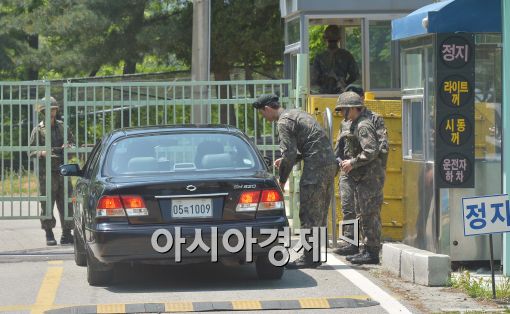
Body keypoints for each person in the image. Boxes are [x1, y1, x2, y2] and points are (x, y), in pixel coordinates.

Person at [253, 94, 336, 269]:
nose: (265, 119)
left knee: (308, 212)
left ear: (267, 109)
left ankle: (309, 258)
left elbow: (289, 154)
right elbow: (309, 146)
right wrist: (289, 160)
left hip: (316, 168)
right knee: (318, 213)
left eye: (262, 114)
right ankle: (314, 256)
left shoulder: (283, 122)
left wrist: (281, 180)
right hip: (328, 164)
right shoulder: (297, 113)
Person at [334, 91, 384, 264]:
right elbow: (341, 146)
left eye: (343, 110)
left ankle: (371, 252)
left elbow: (371, 150)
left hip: (368, 175)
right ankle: (361, 247)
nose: (341, 114)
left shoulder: (363, 125)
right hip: (359, 174)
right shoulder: (354, 123)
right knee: (357, 210)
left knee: (368, 213)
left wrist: (353, 163)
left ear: (353, 108)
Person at [29, 97, 75, 246]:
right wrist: (42, 152)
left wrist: (68, 147)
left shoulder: (63, 127)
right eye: (49, 109)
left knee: (66, 203)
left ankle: (66, 234)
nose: (52, 111)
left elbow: (73, 145)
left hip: (63, 170)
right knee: (47, 203)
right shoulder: (38, 130)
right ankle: (49, 233)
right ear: (43, 111)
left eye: (54, 108)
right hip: (46, 173)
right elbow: (30, 150)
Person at [311, 25, 359, 94]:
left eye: (333, 41)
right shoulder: (346, 55)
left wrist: (344, 84)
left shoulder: (319, 56)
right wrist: (345, 84)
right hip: (340, 94)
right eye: (331, 41)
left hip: (324, 95)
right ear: (339, 39)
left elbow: (314, 80)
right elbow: (355, 75)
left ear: (324, 39)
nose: (332, 43)